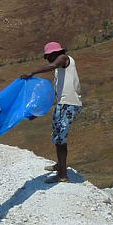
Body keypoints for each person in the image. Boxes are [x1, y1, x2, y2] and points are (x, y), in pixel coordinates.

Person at [20, 41, 82, 183]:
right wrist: (37, 113)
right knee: (58, 137)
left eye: (48, 56)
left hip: (68, 104)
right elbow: (55, 94)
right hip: (63, 104)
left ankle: (62, 175)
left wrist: (32, 73)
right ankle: (60, 166)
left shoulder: (64, 59)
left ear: (55, 53)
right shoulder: (59, 71)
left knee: (60, 139)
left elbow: (53, 64)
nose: (47, 59)